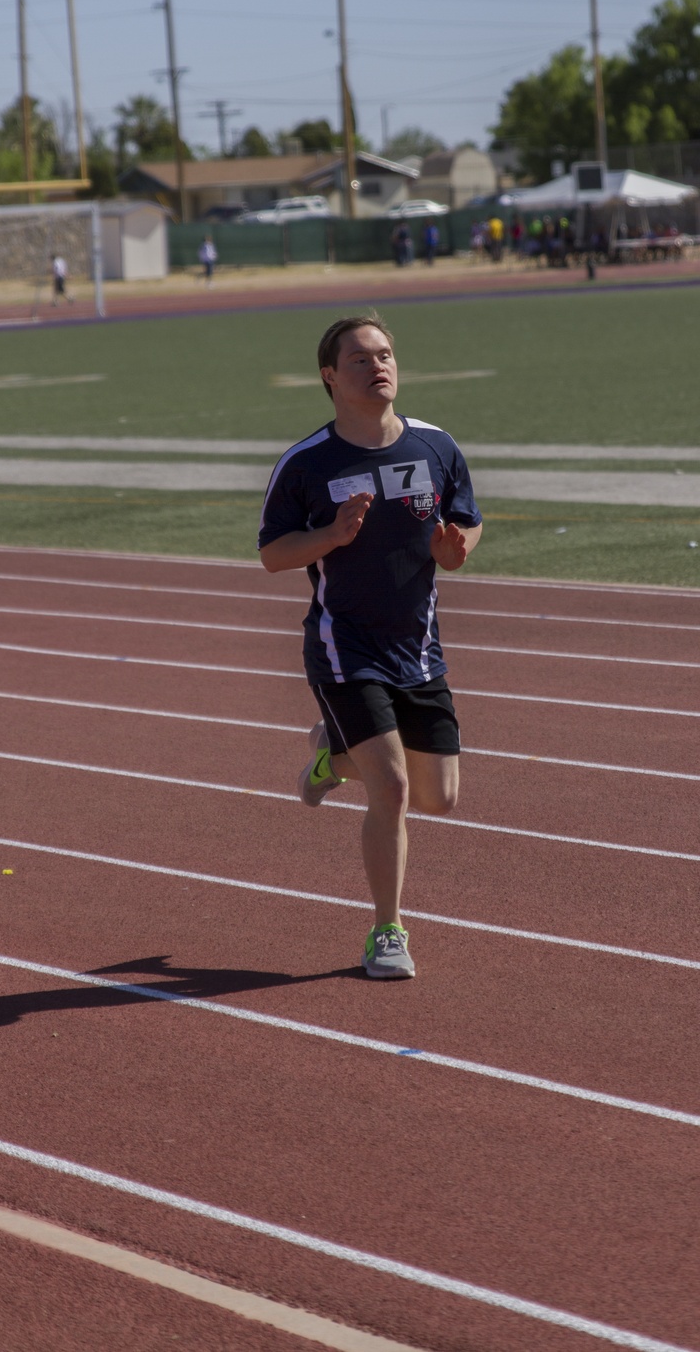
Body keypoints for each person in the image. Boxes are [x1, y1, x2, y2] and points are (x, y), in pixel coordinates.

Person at [258, 314, 483, 980]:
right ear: (330, 376)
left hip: (418, 651)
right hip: (342, 645)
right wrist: (329, 535)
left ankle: (333, 758)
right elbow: (273, 554)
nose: (377, 366)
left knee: (439, 796)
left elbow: (467, 520)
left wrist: (457, 549)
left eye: (384, 355)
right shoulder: (308, 464)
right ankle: (387, 931)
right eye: (359, 359)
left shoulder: (435, 446)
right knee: (391, 788)